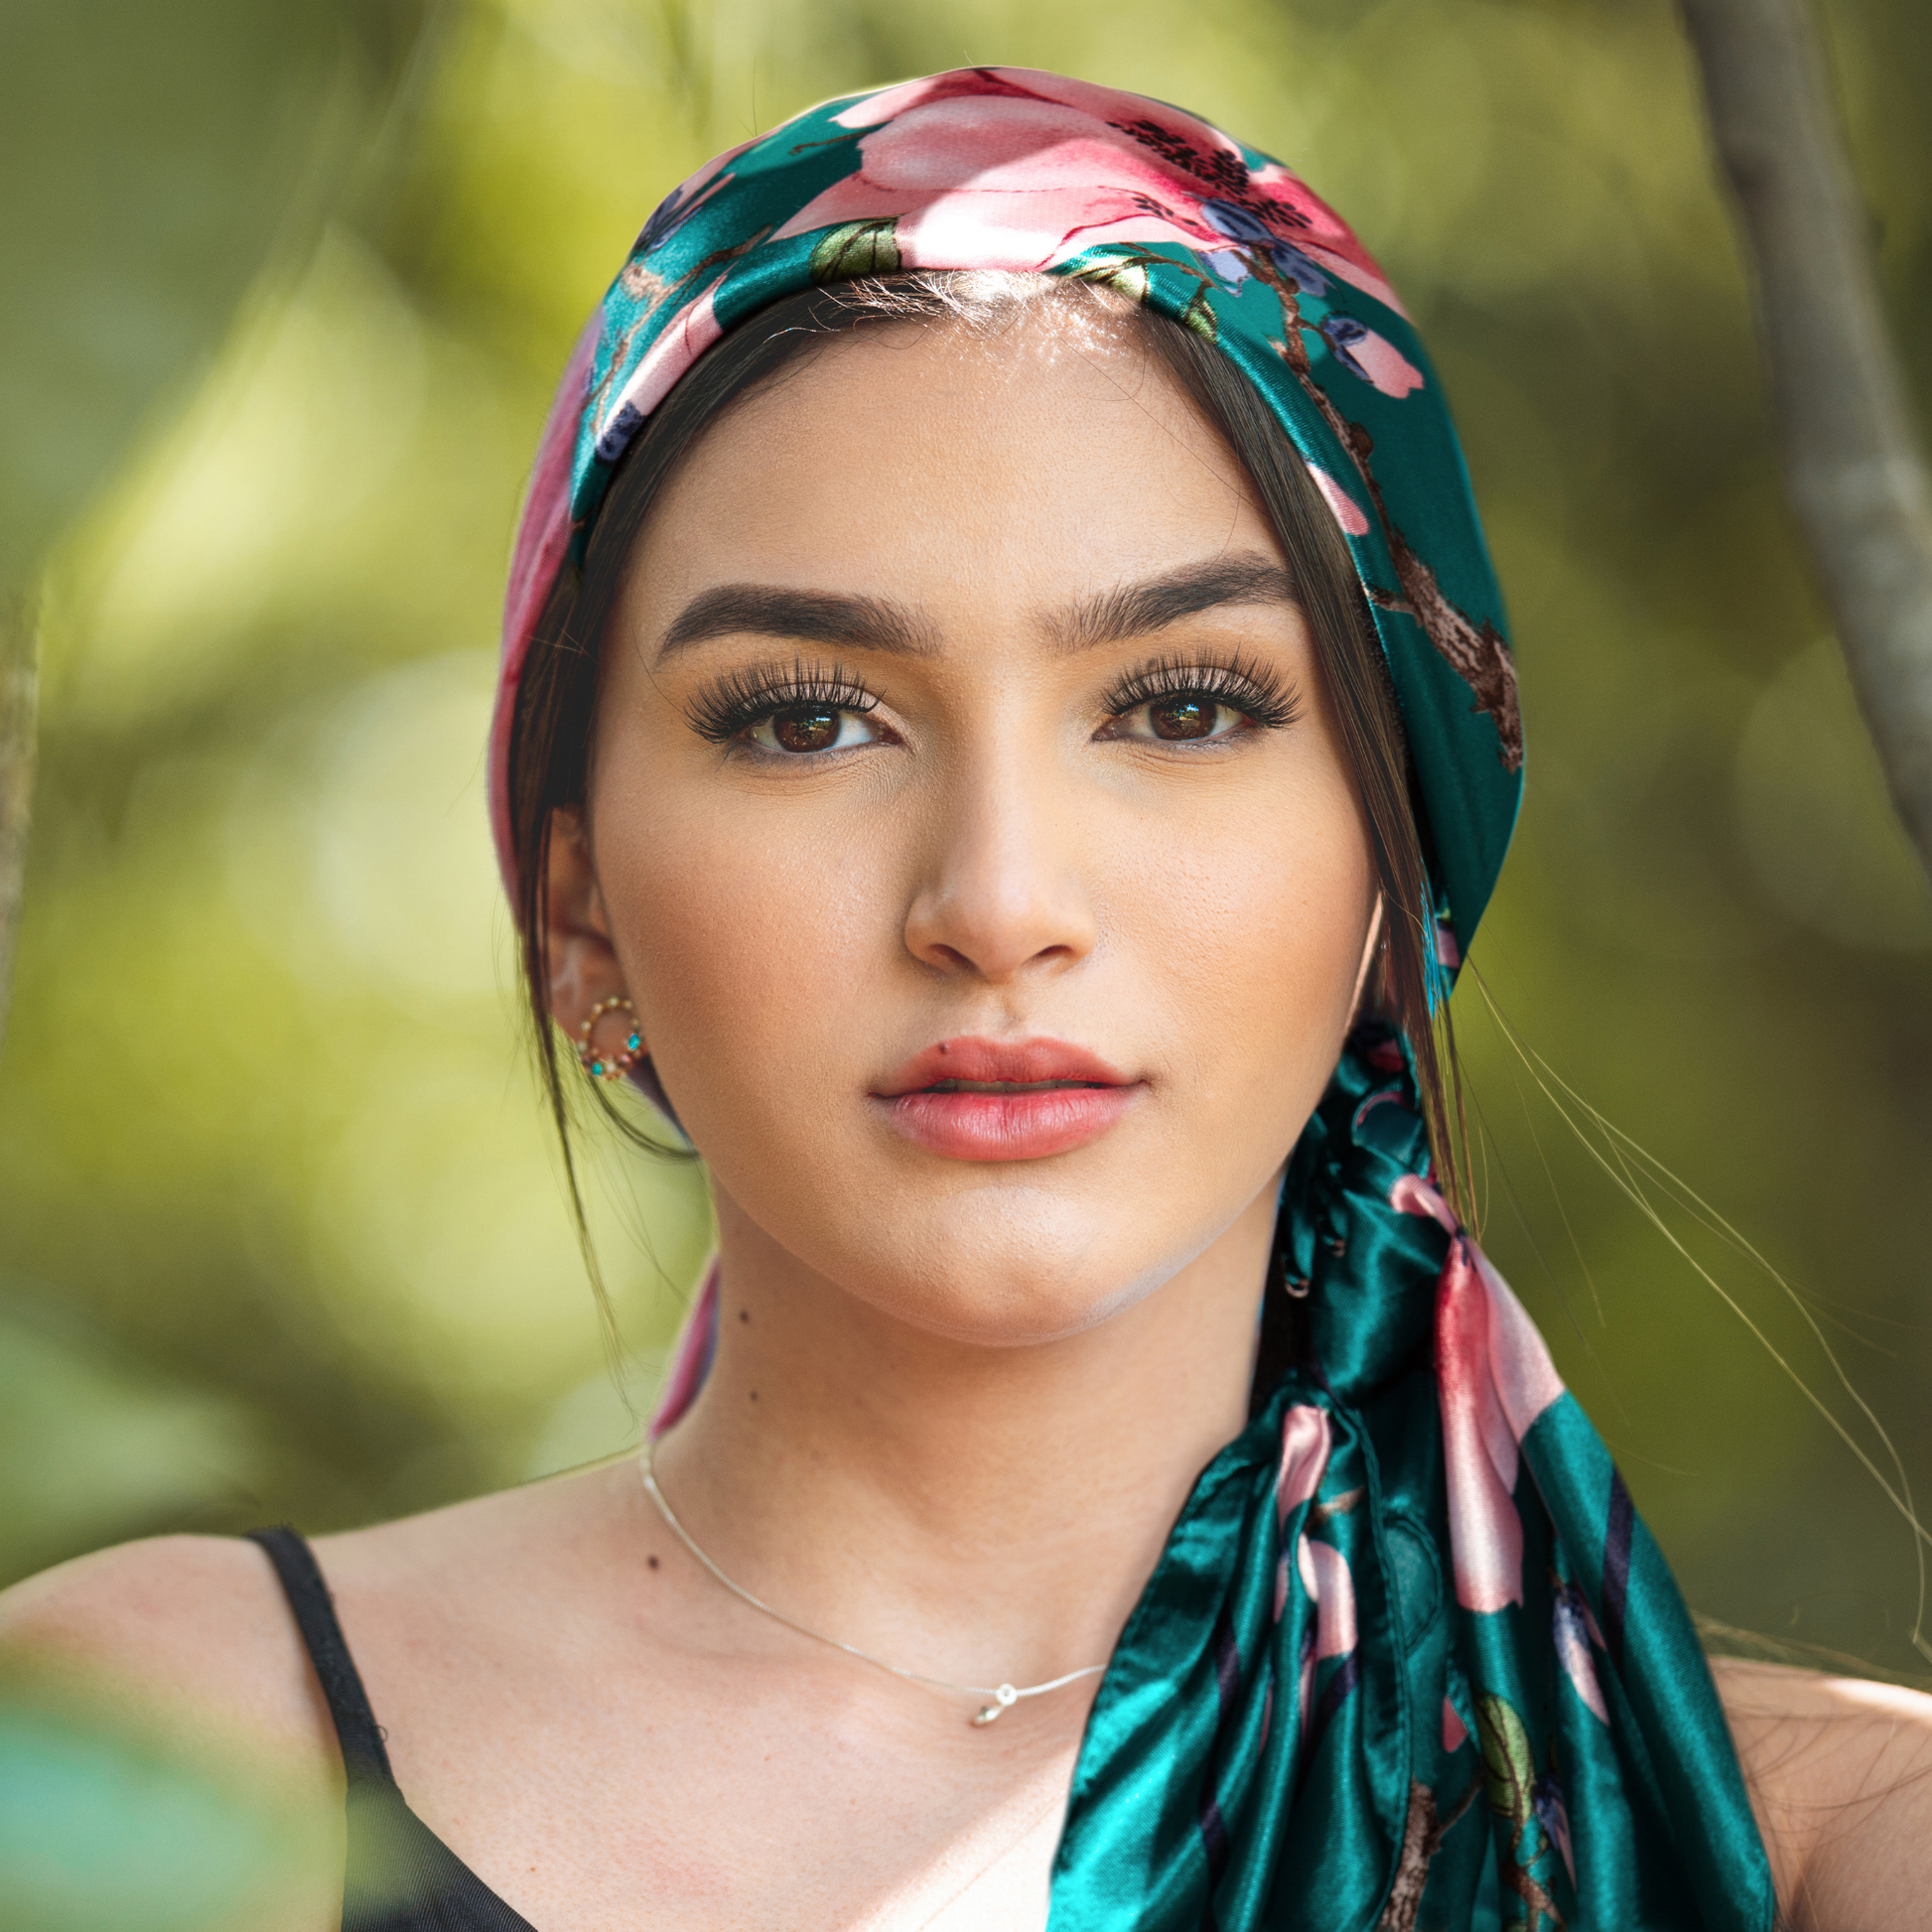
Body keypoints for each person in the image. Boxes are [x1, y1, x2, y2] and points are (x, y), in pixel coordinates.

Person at [3, 66, 1929, 1932]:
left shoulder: (1825, 1848)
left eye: (1181, 705)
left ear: (1389, 864)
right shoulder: (163, 1749)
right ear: (580, 916)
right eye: (806, 717)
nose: (996, 900)